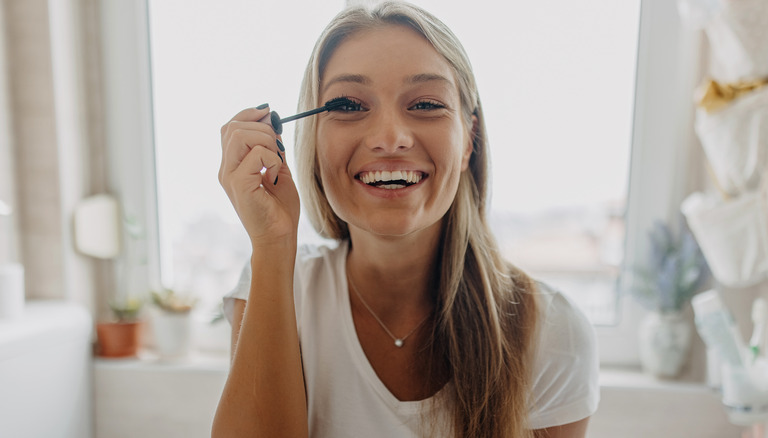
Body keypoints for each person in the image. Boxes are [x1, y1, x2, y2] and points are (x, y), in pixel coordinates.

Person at [212, 2, 598, 437]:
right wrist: (272, 244)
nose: (389, 138)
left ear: (469, 139)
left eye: (427, 103)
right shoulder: (277, 287)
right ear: (312, 141)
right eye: (349, 105)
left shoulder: (551, 331)